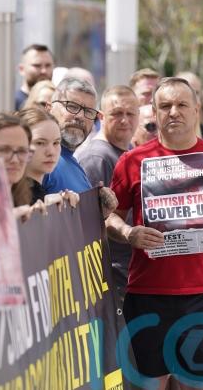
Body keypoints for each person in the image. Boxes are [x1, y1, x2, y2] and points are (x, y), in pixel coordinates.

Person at [106, 77, 203, 389]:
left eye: (182, 105)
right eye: (165, 106)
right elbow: (109, 218)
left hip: (202, 295)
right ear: (154, 112)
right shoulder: (132, 161)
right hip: (147, 294)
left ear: (196, 110)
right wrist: (128, 232)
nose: (174, 112)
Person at [74, 85, 139, 300]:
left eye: (130, 113)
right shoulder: (96, 157)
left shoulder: (129, 152)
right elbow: (92, 220)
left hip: (130, 272)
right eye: (117, 113)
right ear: (101, 116)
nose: (124, 120)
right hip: (112, 276)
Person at [43, 77, 98, 194]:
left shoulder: (75, 166)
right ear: (49, 109)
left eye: (89, 111)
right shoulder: (38, 159)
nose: (80, 116)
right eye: (72, 106)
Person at [16, 107, 79, 209]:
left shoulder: (43, 195)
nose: (51, 152)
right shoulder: (8, 198)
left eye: (56, 143)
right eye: (40, 143)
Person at [15, 44, 55, 110]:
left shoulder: (60, 103)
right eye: (37, 65)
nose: (44, 71)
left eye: (48, 65)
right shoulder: (11, 104)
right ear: (21, 69)